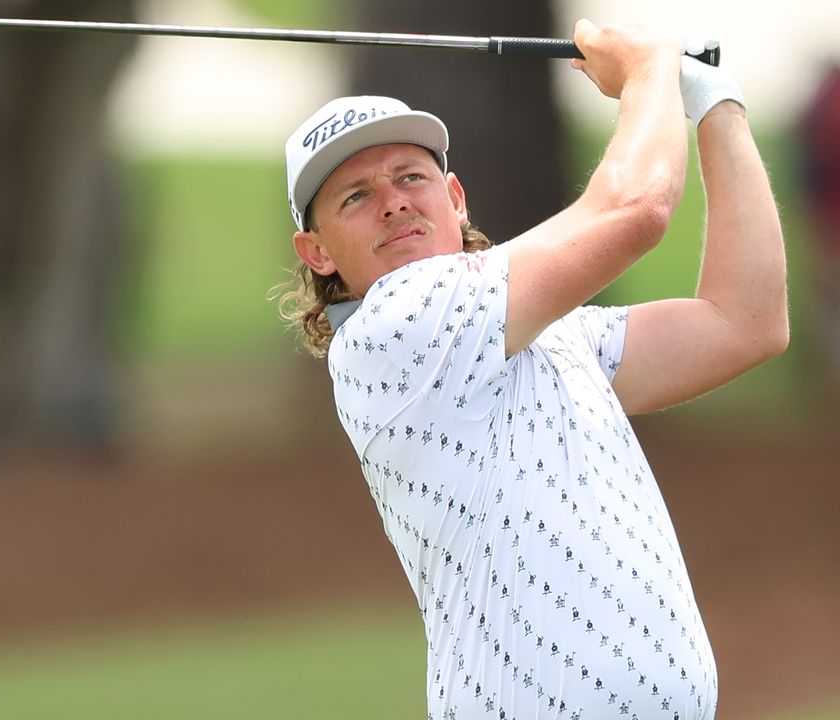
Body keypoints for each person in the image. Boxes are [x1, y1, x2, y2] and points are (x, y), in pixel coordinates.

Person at [276, 19, 786, 720]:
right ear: (318, 252)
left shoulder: (549, 335)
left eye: (410, 176)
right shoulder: (393, 327)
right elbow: (635, 209)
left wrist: (714, 104)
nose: (393, 200)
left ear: (455, 200)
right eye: (355, 196)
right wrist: (646, 78)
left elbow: (745, 322)